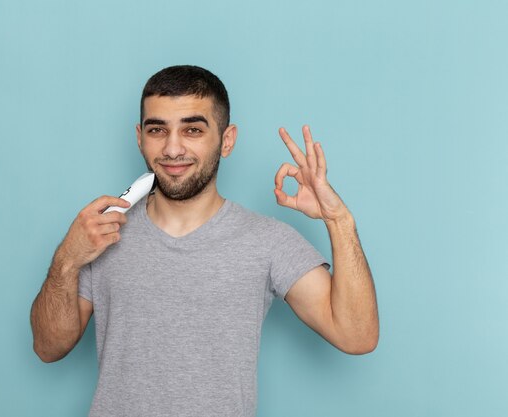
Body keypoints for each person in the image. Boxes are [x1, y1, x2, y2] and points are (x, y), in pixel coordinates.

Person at [30, 65, 379, 417]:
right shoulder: (101, 234)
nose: (172, 148)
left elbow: (357, 336)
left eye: (193, 129)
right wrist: (67, 258)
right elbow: (48, 347)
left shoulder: (267, 240)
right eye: (157, 130)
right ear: (139, 137)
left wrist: (339, 219)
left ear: (226, 140)